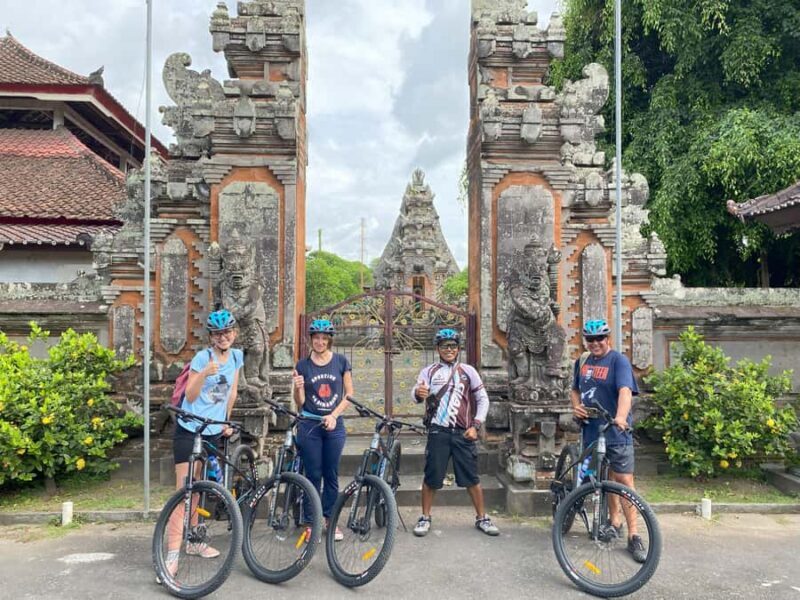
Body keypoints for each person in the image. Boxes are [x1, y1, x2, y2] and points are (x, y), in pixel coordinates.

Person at [167, 309, 244, 575]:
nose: (223, 337)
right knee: (183, 492)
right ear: (211, 337)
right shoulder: (203, 357)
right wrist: (204, 373)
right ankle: (171, 556)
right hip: (190, 429)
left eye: (227, 332)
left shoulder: (236, 356)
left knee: (199, 490)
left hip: (212, 431)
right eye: (218, 334)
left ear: (234, 334)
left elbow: (231, 393)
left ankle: (194, 541)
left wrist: (225, 421)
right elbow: (190, 394)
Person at [411, 328, 499, 537]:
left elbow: (482, 399)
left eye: (452, 346)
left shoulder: (468, 371)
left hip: (463, 433)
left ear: (458, 349)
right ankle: (425, 517)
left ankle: (482, 518)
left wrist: (476, 425)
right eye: (444, 346)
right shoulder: (429, 371)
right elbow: (415, 394)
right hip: (437, 432)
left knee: (472, 478)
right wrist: (417, 392)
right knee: (431, 476)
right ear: (437, 349)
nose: (448, 349)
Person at [571, 318, 646, 563]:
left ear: (608, 339)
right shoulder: (581, 362)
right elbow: (575, 390)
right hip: (590, 432)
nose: (595, 344)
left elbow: (625, 391)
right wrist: (576, 406)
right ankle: (614, 522)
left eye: (599, 339)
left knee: (623, 480)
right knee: (603, 478)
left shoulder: (618, 361)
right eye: (590, 339)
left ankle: (634, 534)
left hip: (615, 431)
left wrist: (621, 417)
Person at [292, 318, 353, 541]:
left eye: (324, 338)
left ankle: (330, 519)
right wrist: (298, 389)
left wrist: (334, 415)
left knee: (331, 473)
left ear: (329, 340)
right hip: (310, 424)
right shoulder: (302, 365)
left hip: (334, 425)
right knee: (313, 474)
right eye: (316, 338)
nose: (320, 342)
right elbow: (300, 402)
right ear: (311, 340)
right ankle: (311, 522)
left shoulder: (340, 362)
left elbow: (349, 394)